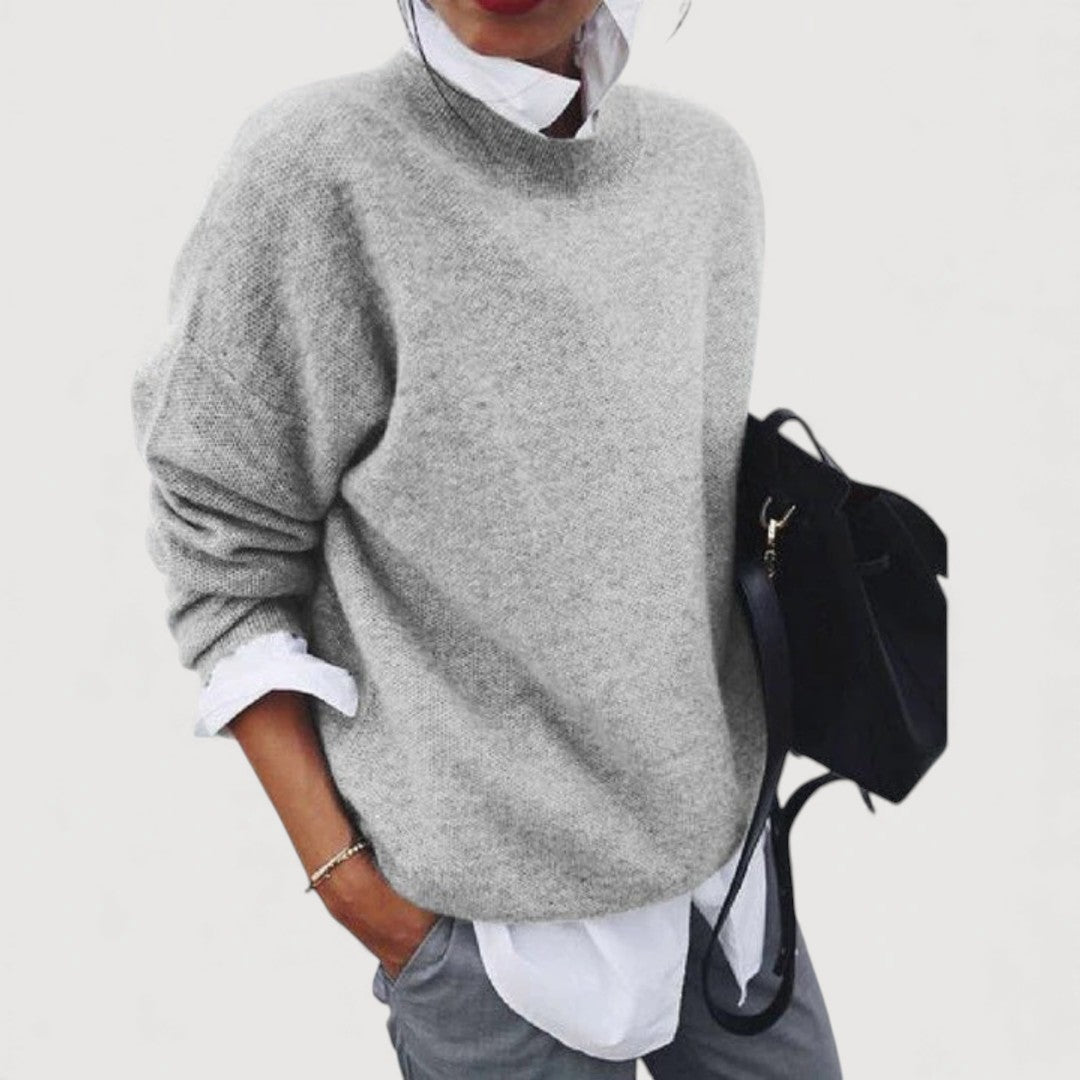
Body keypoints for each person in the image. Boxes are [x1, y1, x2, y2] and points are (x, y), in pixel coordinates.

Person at [129, 0, 844, 1075]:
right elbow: (218, 551)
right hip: (484, 939)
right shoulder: (319, 169)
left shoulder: (705, 172)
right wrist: (356, 891)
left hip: (724, 883)